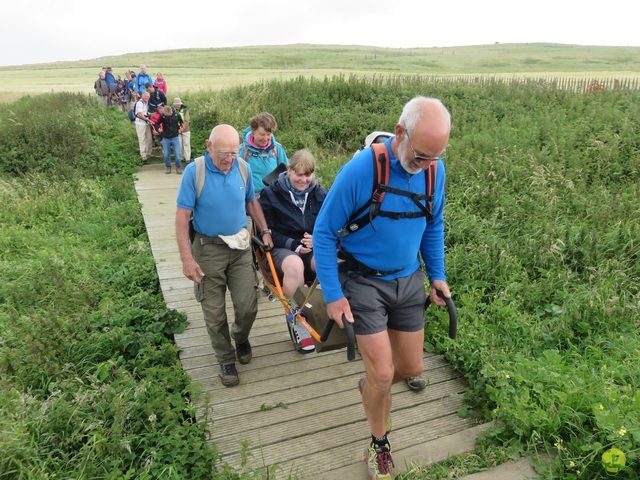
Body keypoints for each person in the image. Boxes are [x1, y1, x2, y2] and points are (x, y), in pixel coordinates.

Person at [313, 96, 452, 480]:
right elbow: (324, 234)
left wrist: (437, 276)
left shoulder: (433, 171)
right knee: (383, 373)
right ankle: (379, 445)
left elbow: (433, 224)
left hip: (408, 281)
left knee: (410, 368)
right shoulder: (361, 170)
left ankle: (373, 385)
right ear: (401, 131)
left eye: (434, 158)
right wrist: (333, 295)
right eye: (421, 155)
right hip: (362, 283)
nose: (426, 164)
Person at [175, 124, 273, 387]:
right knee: (214, 312)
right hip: (208, 250)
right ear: (208, 146)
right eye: (223, 153)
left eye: (233, 152)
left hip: (240, 247)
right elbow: (182, 218)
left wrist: (265, 230)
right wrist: (187, 258)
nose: (229, 159)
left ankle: (240, 337)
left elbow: (251, 202)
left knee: (248, 306)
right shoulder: (195, 172)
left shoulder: (243, 167)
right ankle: (225, 358)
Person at [258, 149, 326, 352]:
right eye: (299, 174)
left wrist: (318, 239)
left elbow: (330, 224)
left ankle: (341, 316)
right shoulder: (271, 194)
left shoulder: (321, 194)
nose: (304, 180)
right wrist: (294, 245)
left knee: (331, 262)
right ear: (289, 171)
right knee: (295, 265)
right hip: (282, 248)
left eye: (308, 175)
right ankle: (297, 319)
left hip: (311, 247)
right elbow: (268, 231)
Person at [238, 112, 289, 196]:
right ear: (253, 131)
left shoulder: (277, 149)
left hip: (274, 197)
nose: (265, 139)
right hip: (251, 199)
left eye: (268, 135)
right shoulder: (242, 151)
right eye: (262, 134)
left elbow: (287, 172)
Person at [154, 105, 184, 174]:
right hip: (166, 137)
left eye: (168, 115)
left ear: (171, 112)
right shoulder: (162, 116)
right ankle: (168, 166)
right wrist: (158, 128)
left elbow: (182, 123)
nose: (167, 116)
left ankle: (178, 167)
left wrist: (181, 129)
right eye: (166, 115)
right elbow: (157, 123)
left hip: (175, 137)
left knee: (177, 154)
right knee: (166, 154)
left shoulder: (177, 115)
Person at [133, 92, 153, 161]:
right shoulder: (140, 103)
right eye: (146, 96)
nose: (147, 98)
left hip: (146, 123)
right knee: (142, 140)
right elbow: (140, 114)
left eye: (148, 96)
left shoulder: (145, 103)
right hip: (140, 123)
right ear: (142, 96)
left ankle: (148, 153)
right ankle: (143, 156)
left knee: (149, 139)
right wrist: (148, 120)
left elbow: (145, 112)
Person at [172, 98, 191, 163]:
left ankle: (187, 158)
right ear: (174, 105)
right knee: (179, 144)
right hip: (176, 130)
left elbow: (187, 120)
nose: (178, 106)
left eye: (179, 105)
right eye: (176, 105)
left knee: (186, 144)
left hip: (186, 129)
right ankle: (181, 158)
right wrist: (178, 129)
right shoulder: (172, 110)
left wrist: (182, 128)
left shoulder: (185, 110)